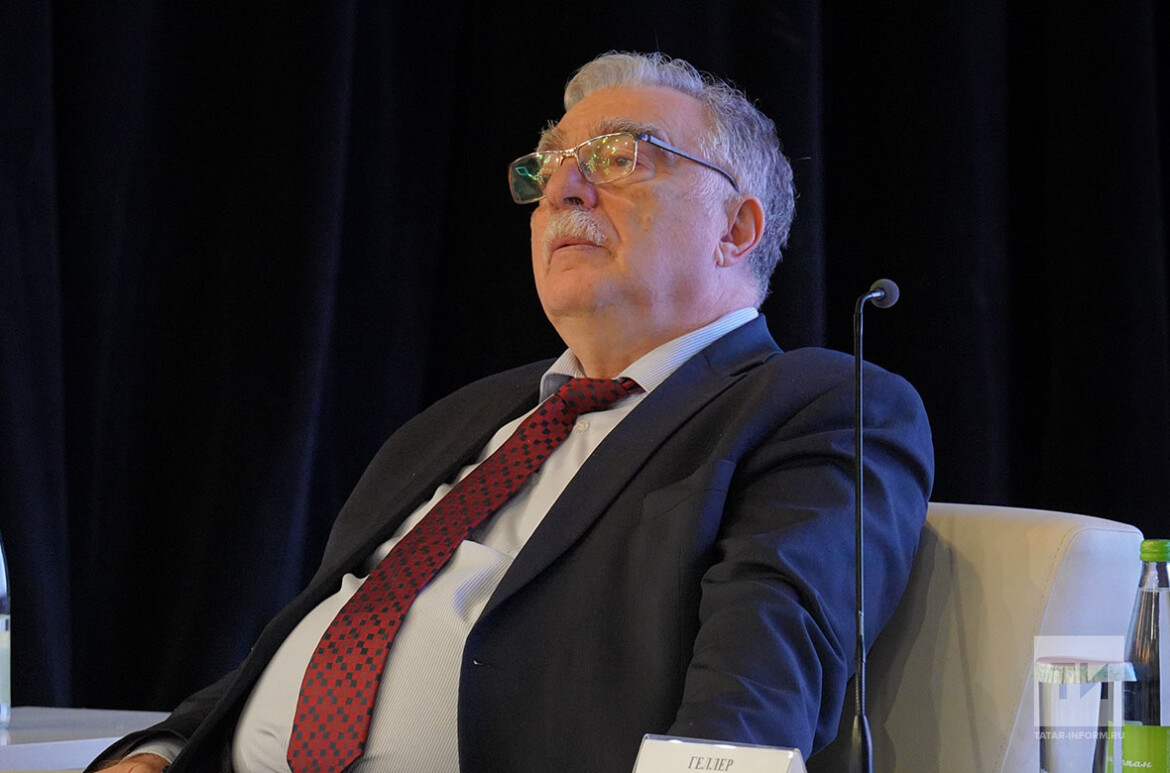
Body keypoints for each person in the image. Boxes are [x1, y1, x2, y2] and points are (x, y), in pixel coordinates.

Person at [90, 51, 933, 773]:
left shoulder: (813, 408)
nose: (562, 188)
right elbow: (327, 630)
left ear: (736, 227)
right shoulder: (461, 420)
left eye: (617, 157)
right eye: (548, 167)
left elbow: (752, 702)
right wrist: (163, 748)